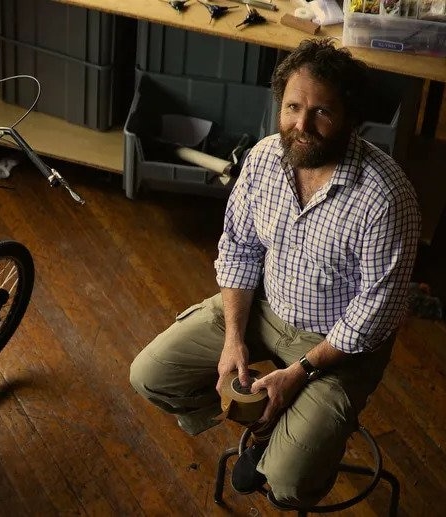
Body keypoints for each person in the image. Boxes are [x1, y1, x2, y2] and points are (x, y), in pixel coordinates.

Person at [129, 38, 420, 508]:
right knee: (150, 375)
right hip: (265, 309)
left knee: (287, 485)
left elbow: (372, 316)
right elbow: (239, 249)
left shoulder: (387, 197)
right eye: (292, 106)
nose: (301, 125)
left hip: (337, 346)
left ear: (350, 118)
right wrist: (233, 339)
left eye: (322, 111)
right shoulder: (264, 159)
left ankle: (282, 447)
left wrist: (301, 372)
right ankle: (265, 424)